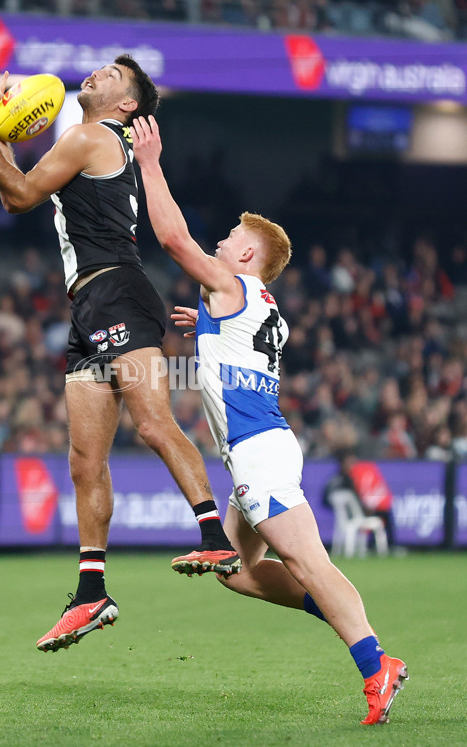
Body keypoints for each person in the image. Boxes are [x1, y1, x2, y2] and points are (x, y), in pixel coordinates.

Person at [131, 115, 408, 726]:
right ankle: (344, 622)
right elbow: (233, 353)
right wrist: (205, 327)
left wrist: (150, 164)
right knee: (236, 569)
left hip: (259, 450)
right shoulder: (254, 303)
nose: (222, 242)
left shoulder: (234, 285)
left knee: (311, 562)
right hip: (260, 448)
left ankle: (374, 663)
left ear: (248, 254)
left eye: (230, 236)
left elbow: (176, 241)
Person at [0, 58, 240, 654]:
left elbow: (18, 197)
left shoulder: (90, 136)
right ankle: (91, 591)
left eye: (112, 76)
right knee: (83, 461)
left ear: (126, 106)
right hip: (90, 304)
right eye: (98, 69)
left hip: (118, 291)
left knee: (151, 422)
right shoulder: (99, 138)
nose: (96, 74)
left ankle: (215, 534)